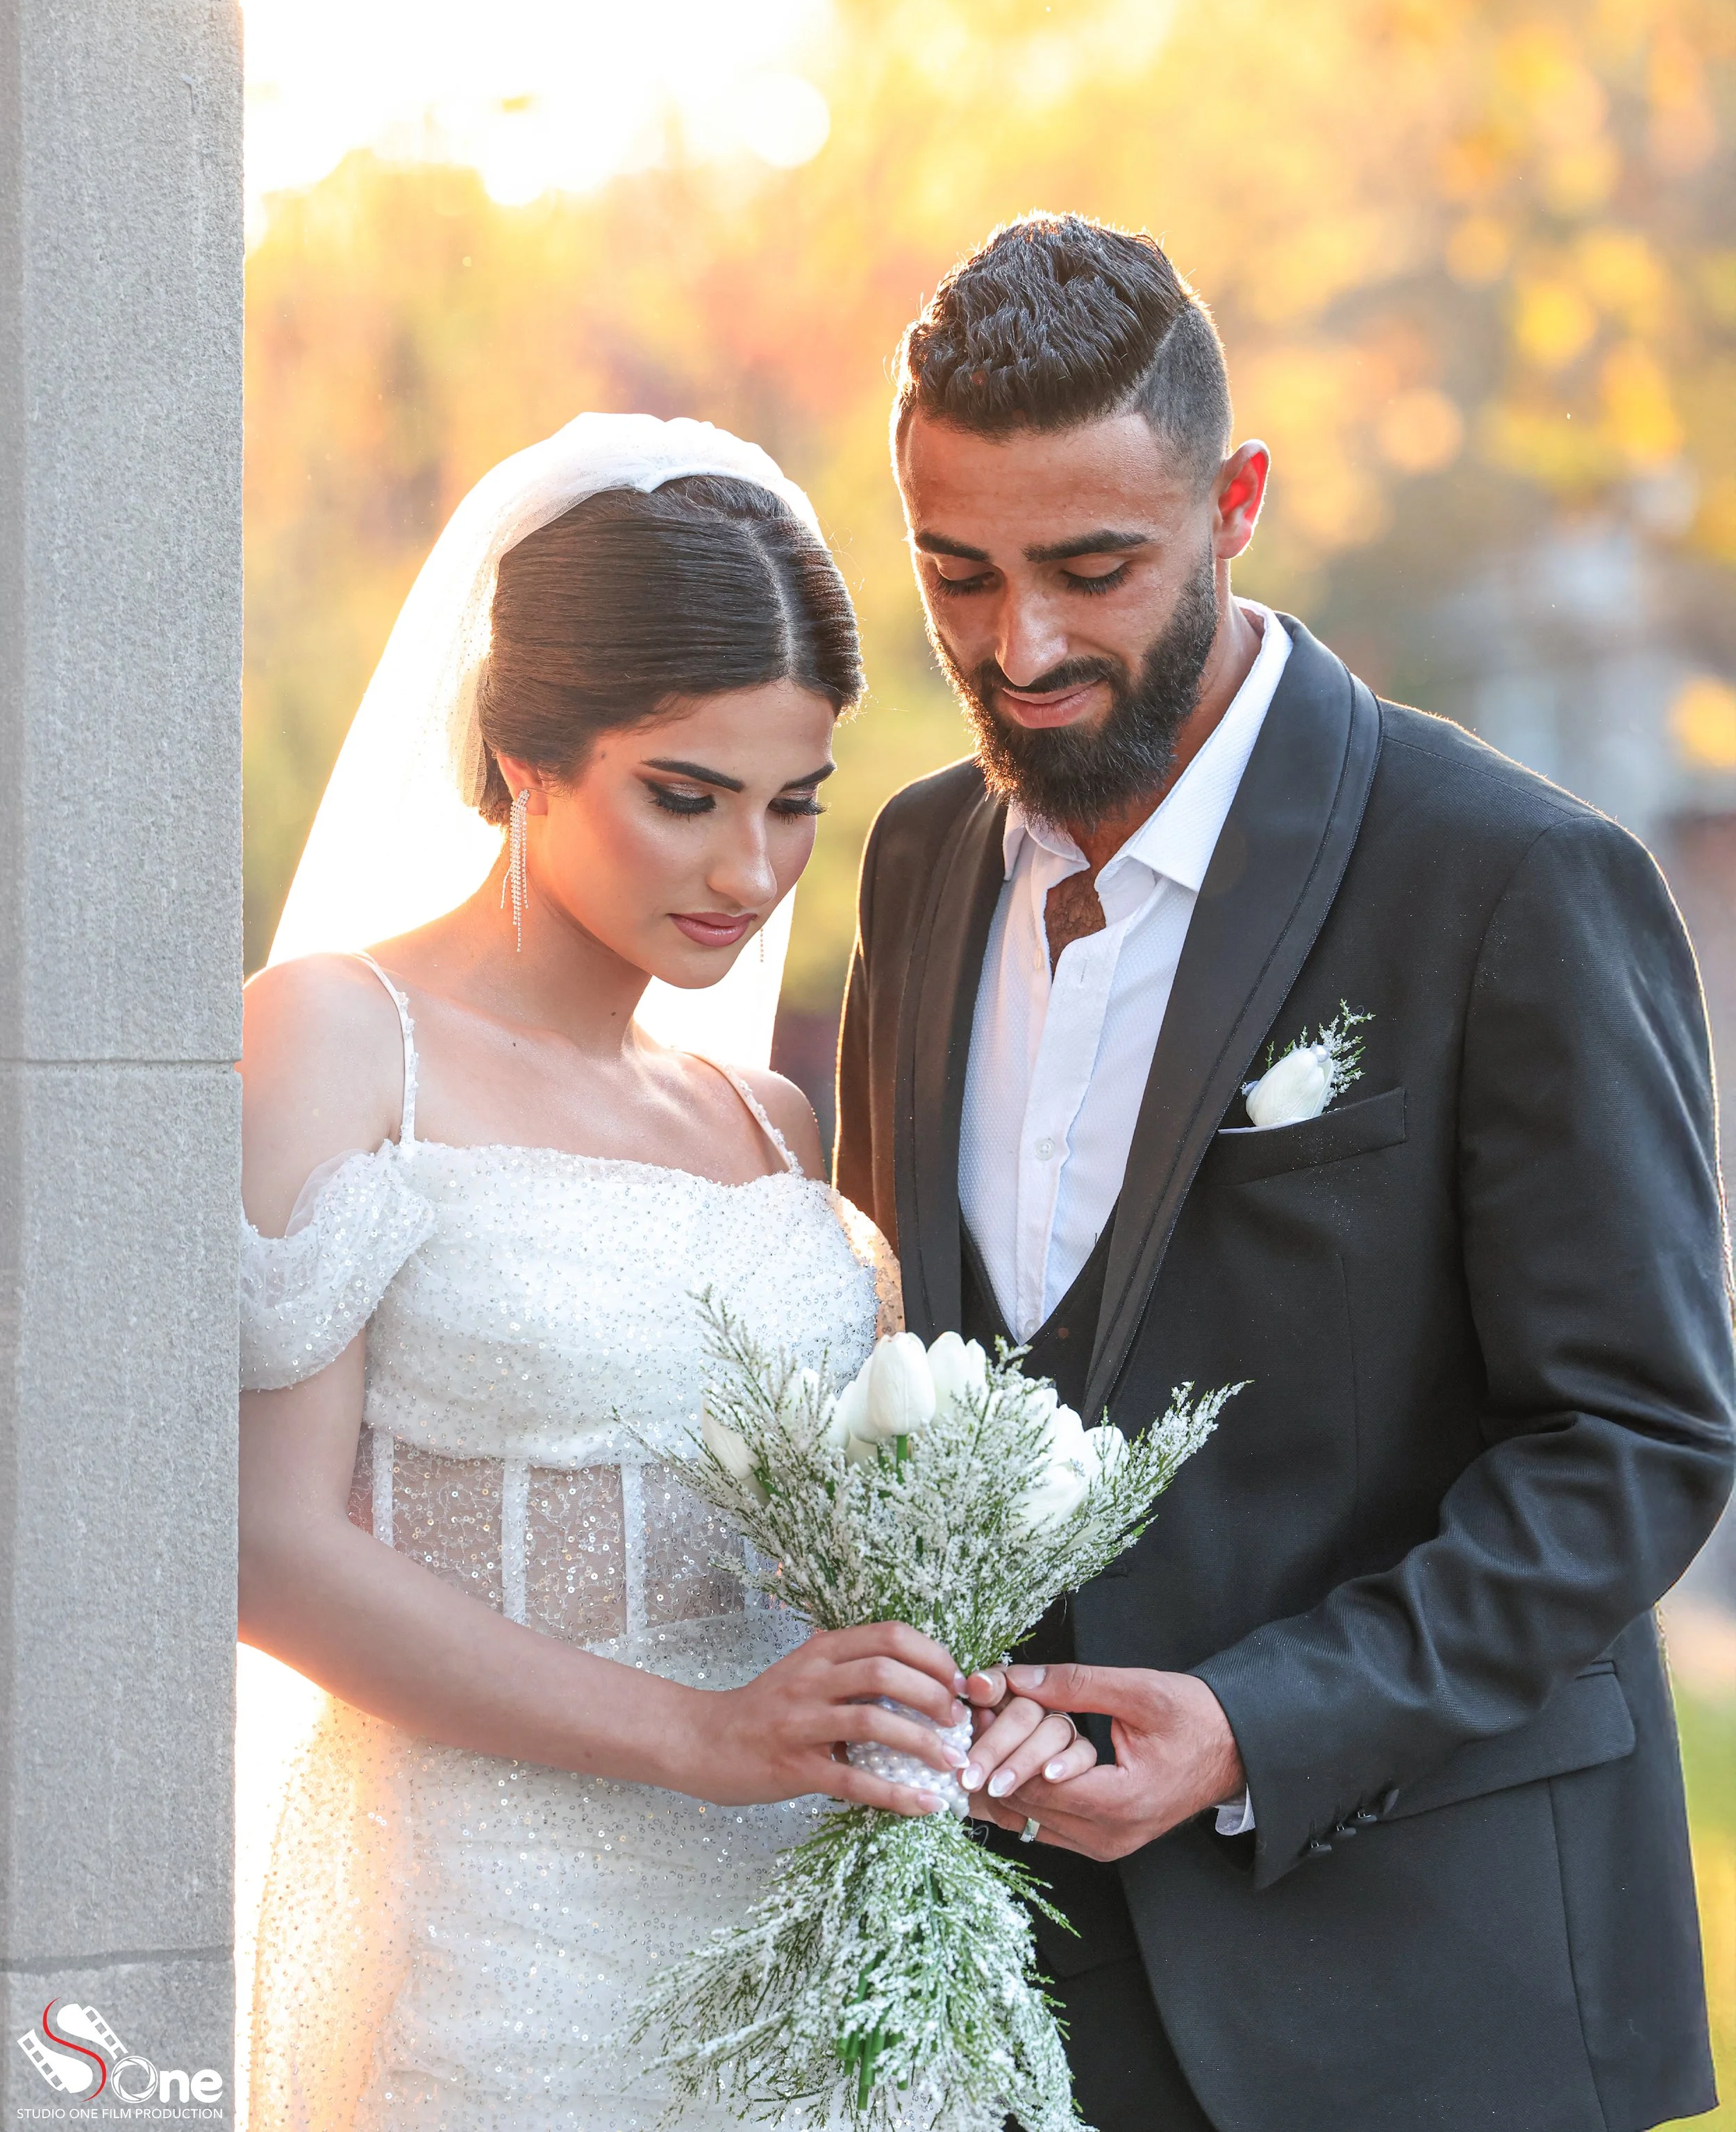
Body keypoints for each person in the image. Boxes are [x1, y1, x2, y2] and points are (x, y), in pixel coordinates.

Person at [835, 215, 1736, 2132]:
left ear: (1235, 499)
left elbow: (1636, 1440)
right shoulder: (913, 867)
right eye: (957, 574)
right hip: (999, 2002)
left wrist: (1256, 1723)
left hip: (1415, 1995)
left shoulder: (1508, 880)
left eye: (1094, 568)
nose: (1025, 646)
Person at [237, 415, 1077, 2131]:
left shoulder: (762, 1119)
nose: (748, 872)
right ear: (521, 754)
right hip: (498, 1939)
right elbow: (262, 1546)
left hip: (804, 1933)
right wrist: (698, 1736)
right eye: (681, 797)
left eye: (789, 806)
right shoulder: (339, 1039)